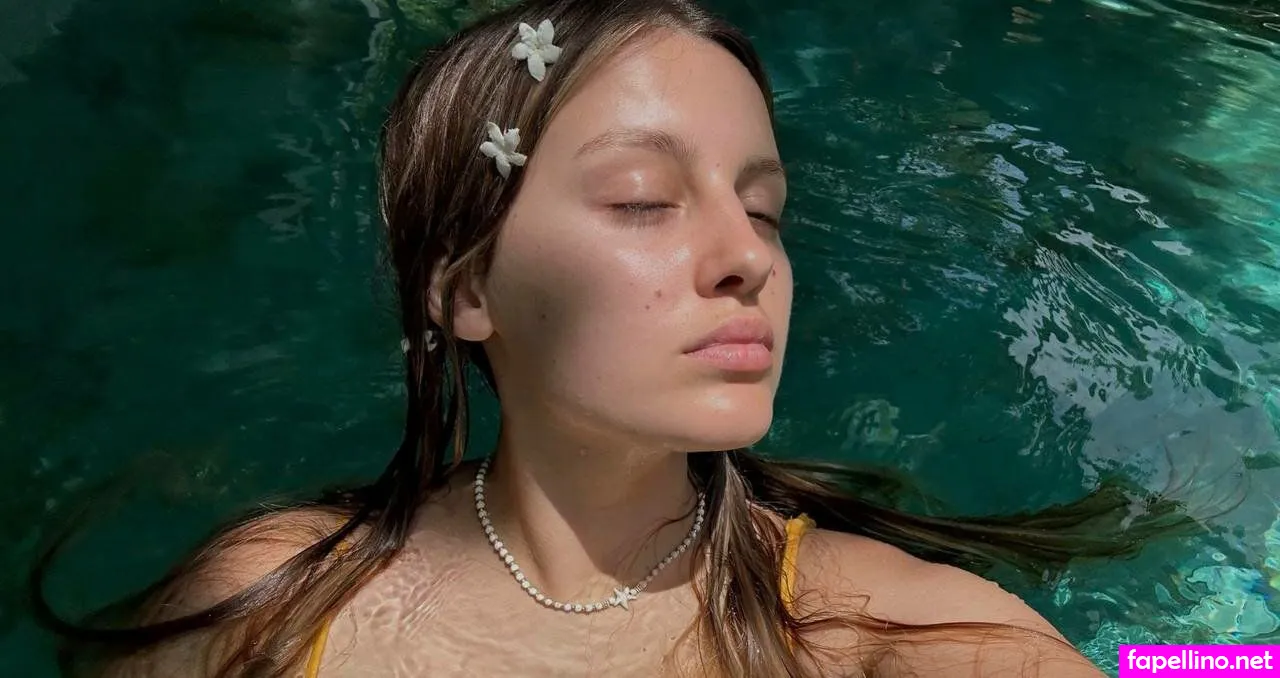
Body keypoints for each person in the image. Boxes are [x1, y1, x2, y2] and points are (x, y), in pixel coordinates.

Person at [34, 0, 1182, 675]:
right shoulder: (274, 603)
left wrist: (1217, 657)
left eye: (764, 210)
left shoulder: (858, 628)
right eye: (642, 198)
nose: (747, 258)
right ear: (467, 289)